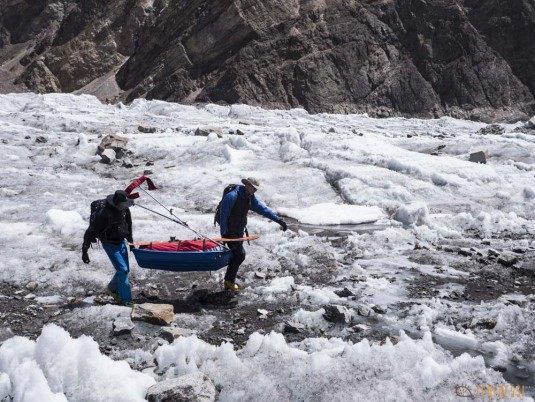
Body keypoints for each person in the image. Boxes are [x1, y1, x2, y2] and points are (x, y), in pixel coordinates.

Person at [219, 178, 287, 293]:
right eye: (253, 187)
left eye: (256, 189)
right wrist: (224, 233)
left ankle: (229, 281)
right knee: (240, 255)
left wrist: (279, 220)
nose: (255, 190)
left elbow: (262, 209)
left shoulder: (249, 198)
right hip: (230, 232)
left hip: (239, 232)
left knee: (236, 255)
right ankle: (229, 282)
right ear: (247, 185)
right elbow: (223, 214)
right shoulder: (232, 196)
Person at [82, 190, 134, 305]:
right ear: (115, 203)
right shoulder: (104, 214)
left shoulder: (125, 208)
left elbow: (128, 223)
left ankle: (111, 290)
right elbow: (91, 231)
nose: (124, 207)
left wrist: (131, 241)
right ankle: (126, 301)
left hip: (121, 242)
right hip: (109, 244)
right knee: (123, 270)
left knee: (125, 270)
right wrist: (84, 251)